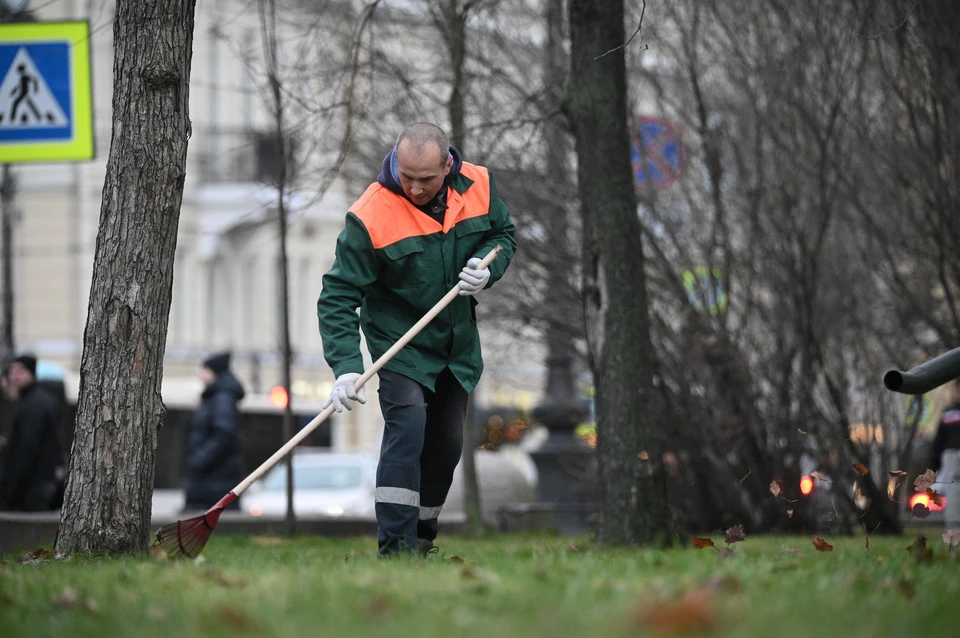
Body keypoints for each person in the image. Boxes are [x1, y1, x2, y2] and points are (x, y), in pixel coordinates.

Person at [318, 122, 516, 557]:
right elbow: (337, 296)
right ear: (395, 160)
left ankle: (422, 536)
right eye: (406, 176)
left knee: (446, 445)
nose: (414, 187)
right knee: (406, 431)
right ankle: (395, 548)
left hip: (456, 349)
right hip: (399, 346)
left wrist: (485, 269)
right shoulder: (371, 214)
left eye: (426, 179)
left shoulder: (480, 184)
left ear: (448, 164)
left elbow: (503, 234)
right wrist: (346, 367)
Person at [0, 354, 63, 511]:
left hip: (32, 485)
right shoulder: (38, 400)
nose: (14, 376)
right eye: (12, 371)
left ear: (30, 373)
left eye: (19, 371)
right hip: (38, 480)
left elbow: (27, 448)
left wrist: (12, 488)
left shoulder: (33, 405)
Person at [184, 352, 245, 512]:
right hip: (213, 480)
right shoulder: (217, 397)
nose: (201, 375)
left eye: (204, 370)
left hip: (214, 481)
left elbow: (224, 434)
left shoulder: (222, 399)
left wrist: (200, 459)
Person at [929, 381, 960, 530]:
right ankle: (954, 529)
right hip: (951, 456)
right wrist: (933, 467)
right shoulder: (948, 413)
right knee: (953, 492)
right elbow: (939, 441)